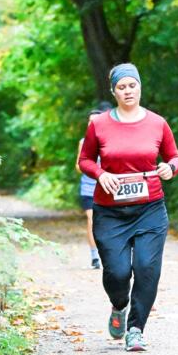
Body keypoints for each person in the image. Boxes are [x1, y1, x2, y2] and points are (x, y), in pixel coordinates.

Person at [78, 63, 178, 352]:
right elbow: (85, 160)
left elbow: (175, 157)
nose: (128, 91)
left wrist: (170, 168)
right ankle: (118, 305)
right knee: (117, 272)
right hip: (109, 212)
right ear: (113, 92)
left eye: (132, 85)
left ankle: (136, 329)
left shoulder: (157, 123)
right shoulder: (99, 124)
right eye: (121, 87)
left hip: (150, 209)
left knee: (147, 268)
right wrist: (101, 174)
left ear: (139, 88)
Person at [75, 103, 111, 269]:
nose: (92, 124)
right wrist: (91, 168)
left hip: (109, 188)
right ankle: (95, 256)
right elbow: (78, 165)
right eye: (89, 121)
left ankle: (110, 254)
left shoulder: (111, 140)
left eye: (95, 121)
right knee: (92, 220)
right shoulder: (83, 142)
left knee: (109, 222)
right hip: (89, 189)